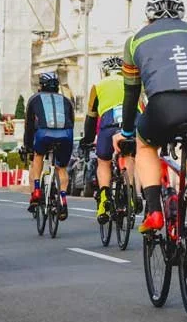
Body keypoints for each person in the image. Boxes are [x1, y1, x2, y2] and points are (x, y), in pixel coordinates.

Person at [121, 0, 187, 280]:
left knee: (145, 146)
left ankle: (153, 210)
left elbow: (131, 93)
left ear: (149, 17)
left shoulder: (136, 40)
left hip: (164, 104)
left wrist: (128, 131)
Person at [82, 56, 136, 224]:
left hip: (109, 123)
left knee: (103, 161)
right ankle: (130, 194)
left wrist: (88, 139)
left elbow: (91, 118)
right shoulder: (133, 82)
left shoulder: (98, 86)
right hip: (132, 122)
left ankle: (104, 199)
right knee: (129, 157)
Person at [23, 71, 76, 219]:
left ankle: (38, 190)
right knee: (62, 168)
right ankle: (63, 199)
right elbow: (71, 121)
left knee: (38, 155)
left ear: (41, 86)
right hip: (66, 134)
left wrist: (28, 145)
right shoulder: (67, 100)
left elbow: (28, 126)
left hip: (44, 134)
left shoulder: (34, 99)